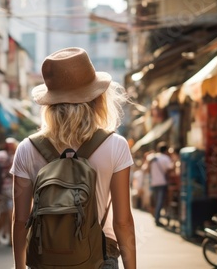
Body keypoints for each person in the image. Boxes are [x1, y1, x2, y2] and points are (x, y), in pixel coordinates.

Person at [10, 47, 136, 269]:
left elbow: (20, 220)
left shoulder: (27, 149)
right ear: (97, 99)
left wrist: (20, 267)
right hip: (99, 258)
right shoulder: (115, 145)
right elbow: (123, 222)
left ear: (50, 103)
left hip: (46, 259)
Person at [0, 138, 18, 246]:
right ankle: (11, 239)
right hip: (10, 189)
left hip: (0, 189)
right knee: (11, 213)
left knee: (2, 213)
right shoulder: (15, 156)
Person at [148, 141, 174, 227]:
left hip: (154, 182)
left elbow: (148, 169)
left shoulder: (152, 158)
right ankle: (157, 219)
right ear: (166, 150)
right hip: (162, 182)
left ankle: (157, 217)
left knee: (157, 201)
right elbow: (170, 169)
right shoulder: (166, 158)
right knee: (161, 202)